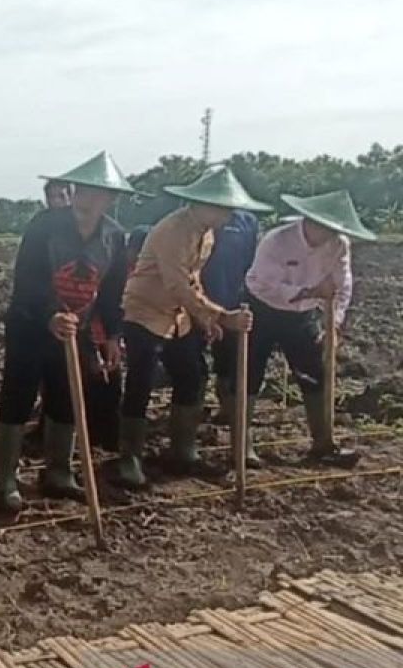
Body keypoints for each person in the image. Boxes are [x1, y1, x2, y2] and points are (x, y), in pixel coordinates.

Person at [0, 152, 134, 511]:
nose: (86, 199)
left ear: (110, 200)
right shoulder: (45, 225)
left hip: (78, 331)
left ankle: (58, 472)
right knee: (18, 396)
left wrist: (113, 335)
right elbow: (27, 279)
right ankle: (6, 477)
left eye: (97, 193)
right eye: (82, 191)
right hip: (31, 326)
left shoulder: (115, 238)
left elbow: (113, 291)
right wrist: (50, 315)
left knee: (68, 396)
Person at [116, 167, 268, 488]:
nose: (228, 215)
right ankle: (129, 458)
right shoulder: (173, 230)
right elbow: (176, 285)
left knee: (192, 374)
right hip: (145, 310)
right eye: (222, 207)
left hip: (179, 315)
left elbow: (192, 281)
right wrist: (222, 315)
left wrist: (205, 317)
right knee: (140, 381)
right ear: (200, 204)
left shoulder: (206, 234)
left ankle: (183, 452)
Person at [238, 190, 374, 467]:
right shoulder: (276, 240)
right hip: (262, 308)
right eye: (323, 226)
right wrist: (309, 290)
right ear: (308, 220)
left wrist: (334, 324)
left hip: (302, 315)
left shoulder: (339, 245)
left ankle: (323, 443)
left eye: (334, 229)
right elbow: (263, 284)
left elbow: (341, 287)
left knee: (315, 373)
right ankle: (243, 447)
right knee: (250, 375)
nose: (328, 234)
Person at [200, 208, 260, 428]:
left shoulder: (247, 221)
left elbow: (251, 261)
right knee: (193, 358)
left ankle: (228, 408)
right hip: (197, 296)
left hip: (232, 297)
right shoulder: (196, 216)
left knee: (230, 355)